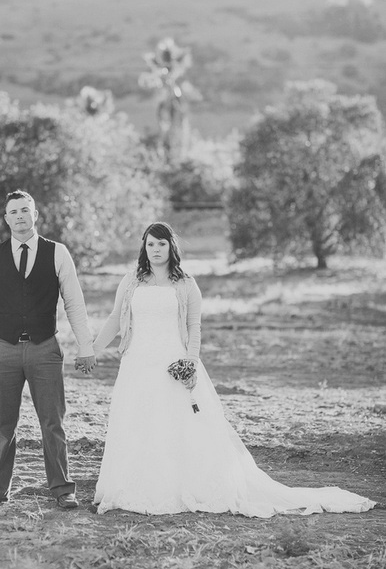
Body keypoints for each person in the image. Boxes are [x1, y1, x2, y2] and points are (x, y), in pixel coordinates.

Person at [91, 221, 376, 516]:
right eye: (150, 244)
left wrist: (190, 360)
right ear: (144, 247)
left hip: (173, 363)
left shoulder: (186, 284)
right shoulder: (131, 281)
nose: (155, 250)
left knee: (178, 426)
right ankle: (134, 485)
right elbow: (115, 319)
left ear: (171, 246)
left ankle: (177, 487)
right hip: (137, 363)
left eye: (161, 244)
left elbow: (193, 326)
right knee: (138, 423)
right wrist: (93, 349)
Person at [0, 189, 96, 509]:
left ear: (35, 215)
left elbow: (74, 303)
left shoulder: (57, 253)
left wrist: (85, 346)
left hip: (44, 349)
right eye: (14, 212)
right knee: (3, 425)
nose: (20, 216)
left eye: (26, 210)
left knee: (53, 422)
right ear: (6, 218)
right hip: (3, 350)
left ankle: (62, 489)